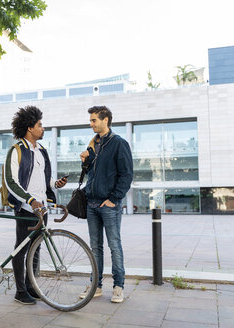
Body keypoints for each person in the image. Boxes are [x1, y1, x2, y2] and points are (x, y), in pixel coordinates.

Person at [3, 105, 67, 305]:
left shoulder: (42, 151)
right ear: (30, 128)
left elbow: (45, 179)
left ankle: (31, 287)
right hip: (26, 208)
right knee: (21, 249)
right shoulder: (16, 151)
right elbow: (11, 182)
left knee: (36, 249)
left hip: (42, 209)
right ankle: (20, 291)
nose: (43, 128)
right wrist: (30, 200)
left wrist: (56, 185)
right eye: (40, 125)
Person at [79, 105, 133, 303]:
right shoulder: (93, 144)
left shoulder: (119, 144)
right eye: (91, 120)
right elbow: (91, 173)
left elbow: (126, 174)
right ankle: (96, 286)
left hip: (109, 205)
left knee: (114, 246)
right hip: (92, 204)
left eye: (94, 120)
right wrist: (85, 160)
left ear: (106, 120)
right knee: (95, 248)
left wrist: (114, 199)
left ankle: (118, 287)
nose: (91, 123)